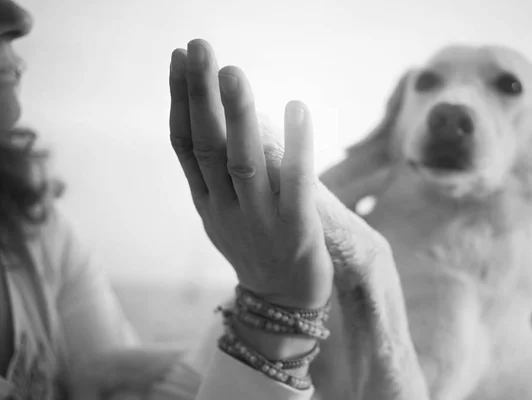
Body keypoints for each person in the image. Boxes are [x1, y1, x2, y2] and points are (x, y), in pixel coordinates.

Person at [1, 0, 373, 398]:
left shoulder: (36, 227)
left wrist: (266, 297)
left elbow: (110, 384)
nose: (19, 20)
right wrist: (282, 318)